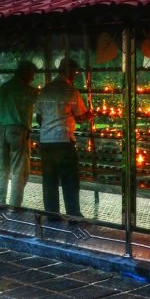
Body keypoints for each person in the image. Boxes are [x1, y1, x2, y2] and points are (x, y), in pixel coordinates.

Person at [34, 58, 93, 219]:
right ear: (69, 71)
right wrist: (90, 114)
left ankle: (52, 214)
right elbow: (80, 118)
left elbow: (39, 118)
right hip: (63, 141)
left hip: (46, 141)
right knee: (69, 180)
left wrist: (49, 124)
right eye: (74, 72)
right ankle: (73, 215)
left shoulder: (45, 90)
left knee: (50, 180)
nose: (75, 75)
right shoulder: (70, 91)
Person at [0, 60, 39, 210]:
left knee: (1, 168)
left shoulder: (3, 88)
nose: (32, 78)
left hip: (1, 129)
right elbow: (41, 106)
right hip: (18, 131)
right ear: (25, 73)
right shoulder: (28, 91)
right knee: (19, 170)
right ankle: (15, 205)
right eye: (32, 75)